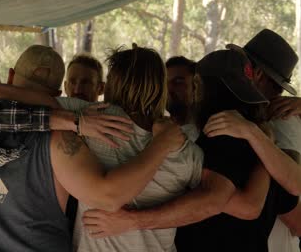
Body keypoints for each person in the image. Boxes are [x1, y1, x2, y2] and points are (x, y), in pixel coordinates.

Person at [0, 45, 186, 252]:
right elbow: (107, 196)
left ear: (12, 76)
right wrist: (162, 144)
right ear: (59, 92)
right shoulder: (61, 141)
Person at [82, 49, 299, 252]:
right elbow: (279, 196)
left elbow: (236, 204)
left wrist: (132, 221)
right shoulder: (260, 141)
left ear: (199, 86)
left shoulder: (222, 134)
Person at [203, 29, 301, 251]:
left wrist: (257, 135)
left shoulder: (279, 119)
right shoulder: (254, 117)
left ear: (254, 73)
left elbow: (292, 184)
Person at [165, 56, 196, 126]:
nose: (168, 88)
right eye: (164, 83)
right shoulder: (156, 129)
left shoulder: (212, 126)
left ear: (196, 86)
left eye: (178, 82)